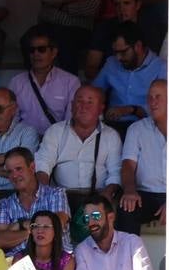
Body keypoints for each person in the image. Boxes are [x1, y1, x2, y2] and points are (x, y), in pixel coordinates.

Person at [34, 85, 121, 243]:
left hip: (97, 196)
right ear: (72, 105)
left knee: (100, 227)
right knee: (53, 227)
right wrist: (44, 192)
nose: (83, 106)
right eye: (79, 101)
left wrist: (106, 195)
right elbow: (43, 163)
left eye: (90, 102)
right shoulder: (56, 131)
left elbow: (116, 173)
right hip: (62, 196)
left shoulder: (110, 136)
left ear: (101, 108)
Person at [114, 79, 169, 233]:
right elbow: (128, 165)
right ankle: (128, 257)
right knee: (126, 208)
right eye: (150, 97)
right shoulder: (137, 129)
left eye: (158, 97)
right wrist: (130, 190)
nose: (153, 102)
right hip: (146, 195)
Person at [92, 23, 167, 128]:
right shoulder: (111, 63)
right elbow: (94, 91)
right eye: (115, 52)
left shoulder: (160, 67)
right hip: (113, 125)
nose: (118, 58)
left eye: (123, 52)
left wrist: (130, 110)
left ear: (138, 46)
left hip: (148, 126)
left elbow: (165, 105)